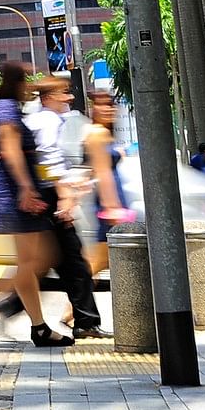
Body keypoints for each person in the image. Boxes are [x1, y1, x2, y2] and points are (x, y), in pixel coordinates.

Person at [0, 62, 66, 346]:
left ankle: (25, 318)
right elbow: (10, 151)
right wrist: (25, 188)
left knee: (38, 259)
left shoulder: (8, 108)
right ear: (17, 83)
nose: (29, 87)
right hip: (15, 191)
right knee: (37, 259)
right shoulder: (6, 110)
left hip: (17, 189)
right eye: (26, 81)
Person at [22, 77, 104, 338]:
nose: (69, 98)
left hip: (46, 193)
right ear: (47, 98)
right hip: (49, 196)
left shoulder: (39, 119)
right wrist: (62, 195)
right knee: (70, 259)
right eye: (63, 94)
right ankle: (85, 322)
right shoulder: (48, 121)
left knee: (60, 259)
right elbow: (48, 158)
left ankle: (85, 321)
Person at [80, 87, 130, 280]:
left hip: (114, 199)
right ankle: (73, 309)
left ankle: (75, 308)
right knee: (100, 259)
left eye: (110, 105)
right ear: (93, 108)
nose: (107, 109)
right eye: (101, 105)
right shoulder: (97, 134)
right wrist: (112, 206)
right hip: (108, 202)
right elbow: (102, 171)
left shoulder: (105, 134)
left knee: (104, 259)